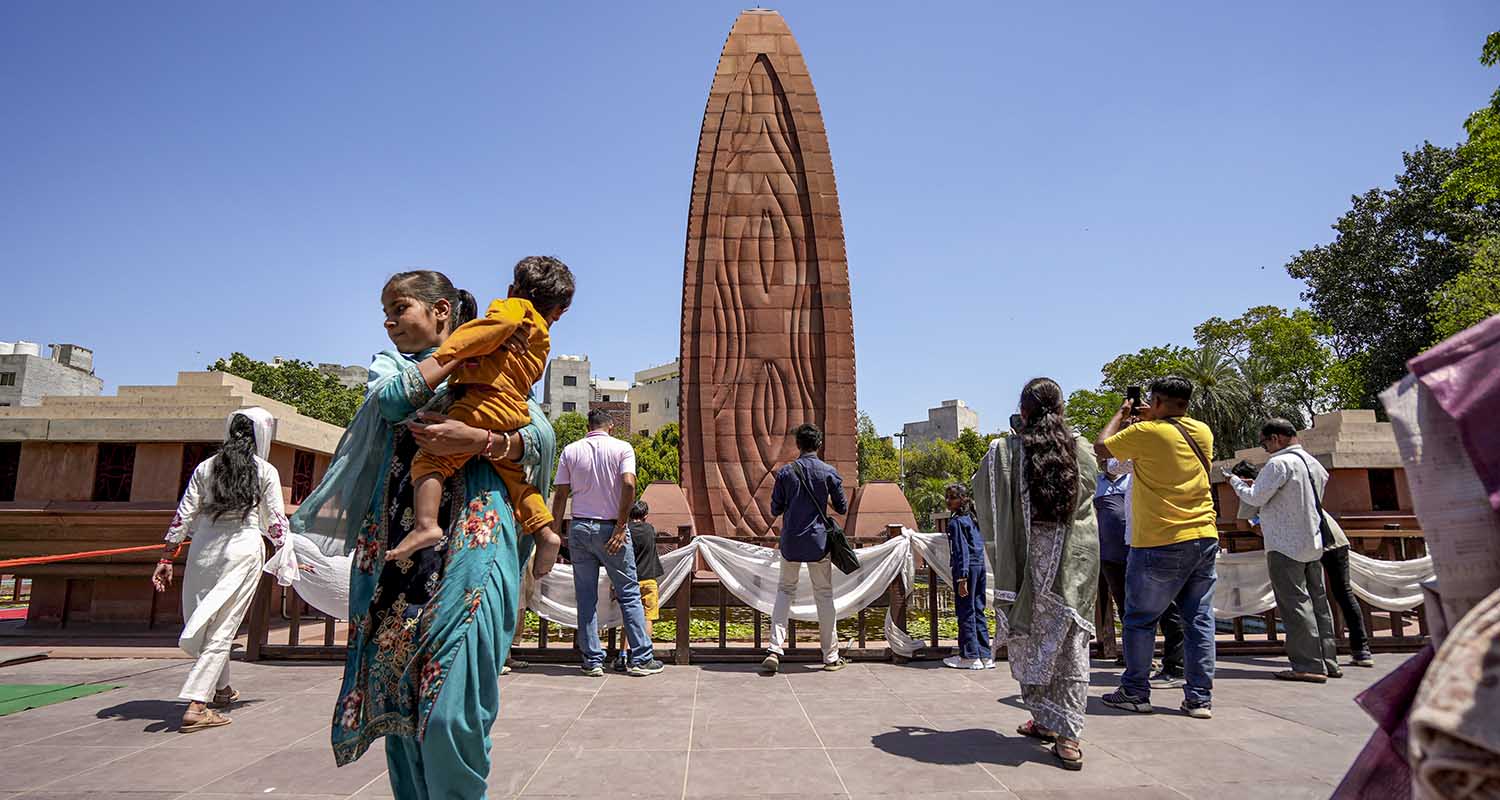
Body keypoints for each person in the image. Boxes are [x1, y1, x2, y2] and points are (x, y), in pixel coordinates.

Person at [292, 269, 558, 798]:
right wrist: (459, 355)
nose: (389, 322)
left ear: (441, 311)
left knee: (450, 712)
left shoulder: (497, 369)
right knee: (402, 709)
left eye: (399, 308)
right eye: (385, 313)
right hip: (399, 554)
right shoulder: (395, 367)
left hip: (477, 546)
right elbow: (393, 401)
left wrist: (480, 438)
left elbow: (541, 437)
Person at [388, 256, 574, 563]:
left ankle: (425, 525)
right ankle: (544, 531)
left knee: (430, 459)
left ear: (512, 289)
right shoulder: (540, 335)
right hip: (512, 409)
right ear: (559, 311)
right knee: (515, 479)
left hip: (484, 402)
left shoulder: (514, 309)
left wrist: (451, 354)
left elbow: (492, 328)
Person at [973, 378, 1099, 770]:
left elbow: (983, 490)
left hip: (1026, 567)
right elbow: (1090, 496)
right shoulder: (1081, 450)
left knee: (1030, 641)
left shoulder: (1006, 452)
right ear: (1060, 410)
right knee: (1070, 649)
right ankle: (1066, 735)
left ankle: (1050, 720)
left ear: (1023, 411)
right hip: (1072, 567)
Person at [153, 407, 287, 733]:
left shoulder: (206, 468)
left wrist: (166, 558)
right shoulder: (264, 471)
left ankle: (222, 690)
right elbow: (276, 524)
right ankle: (198, 704)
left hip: (203, 549)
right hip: (242, 550)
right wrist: (290, 556)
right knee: (223, 627)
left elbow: (183, 516)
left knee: (206, 618)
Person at [1095, 375, 1218, 720]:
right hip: (1204, 535)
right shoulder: (1202, 431)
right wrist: (1154, 417)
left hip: (1160, 540)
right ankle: (1198, 699)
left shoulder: (1145, 433)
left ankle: (1135, 691)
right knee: (1199, 620)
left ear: (1157, 401)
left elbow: (1102, 447)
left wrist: (1122, 414)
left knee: (1139, 618)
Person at [1225, 418, 1344, 682]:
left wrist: (1235, 482)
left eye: (1264, 442)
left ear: (1276, 438)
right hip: (1313, 541)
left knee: (1295, 605)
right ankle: (1329, 660)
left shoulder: (1278, 463)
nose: (1264, 448)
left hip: (1284, 543)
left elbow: (1255, 497)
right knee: (1318, 603)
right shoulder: (1313, 464)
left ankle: (1307, 665)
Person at [552, 409, 664, 677]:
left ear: (587, 427)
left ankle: (592, 660)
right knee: (628, 592)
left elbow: (560, 494)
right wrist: (621, 526)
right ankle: (641, 658)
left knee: (586, 597)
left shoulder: (571, 450)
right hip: (610, 527)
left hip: (579, 525)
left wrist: (555, 531)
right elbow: (628, 484)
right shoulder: (622, 448)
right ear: (611, 427)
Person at [762, 423, 849, 674]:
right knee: (824, 595)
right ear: (818, 445)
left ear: (797, 445)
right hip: (818, 543)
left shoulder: (786, 473)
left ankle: (774, 650)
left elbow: (775, 509)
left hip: (791, 542)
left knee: (784, 592)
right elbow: (841, 507)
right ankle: (831, 656)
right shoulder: (828, 472)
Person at [942, 483, 993, 670]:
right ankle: (985, 655)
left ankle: (970, 656)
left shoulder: (956, 522)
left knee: (966, 610)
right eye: (947, 497)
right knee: (978, 609)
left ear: (962, 499)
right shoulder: (972, 518)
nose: (948, 501)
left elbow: (961, 551)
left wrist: (962, 578)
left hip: (966, 569)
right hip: (978, 567)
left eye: (952, 497)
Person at [612, 499, 665, 672]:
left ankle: (622, 656)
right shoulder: (650, 530)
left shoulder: (625, 532)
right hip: (649, 579)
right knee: (647, 618)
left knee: (629, 619)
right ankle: (643, 657)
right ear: (646, 516)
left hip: (630, 581)